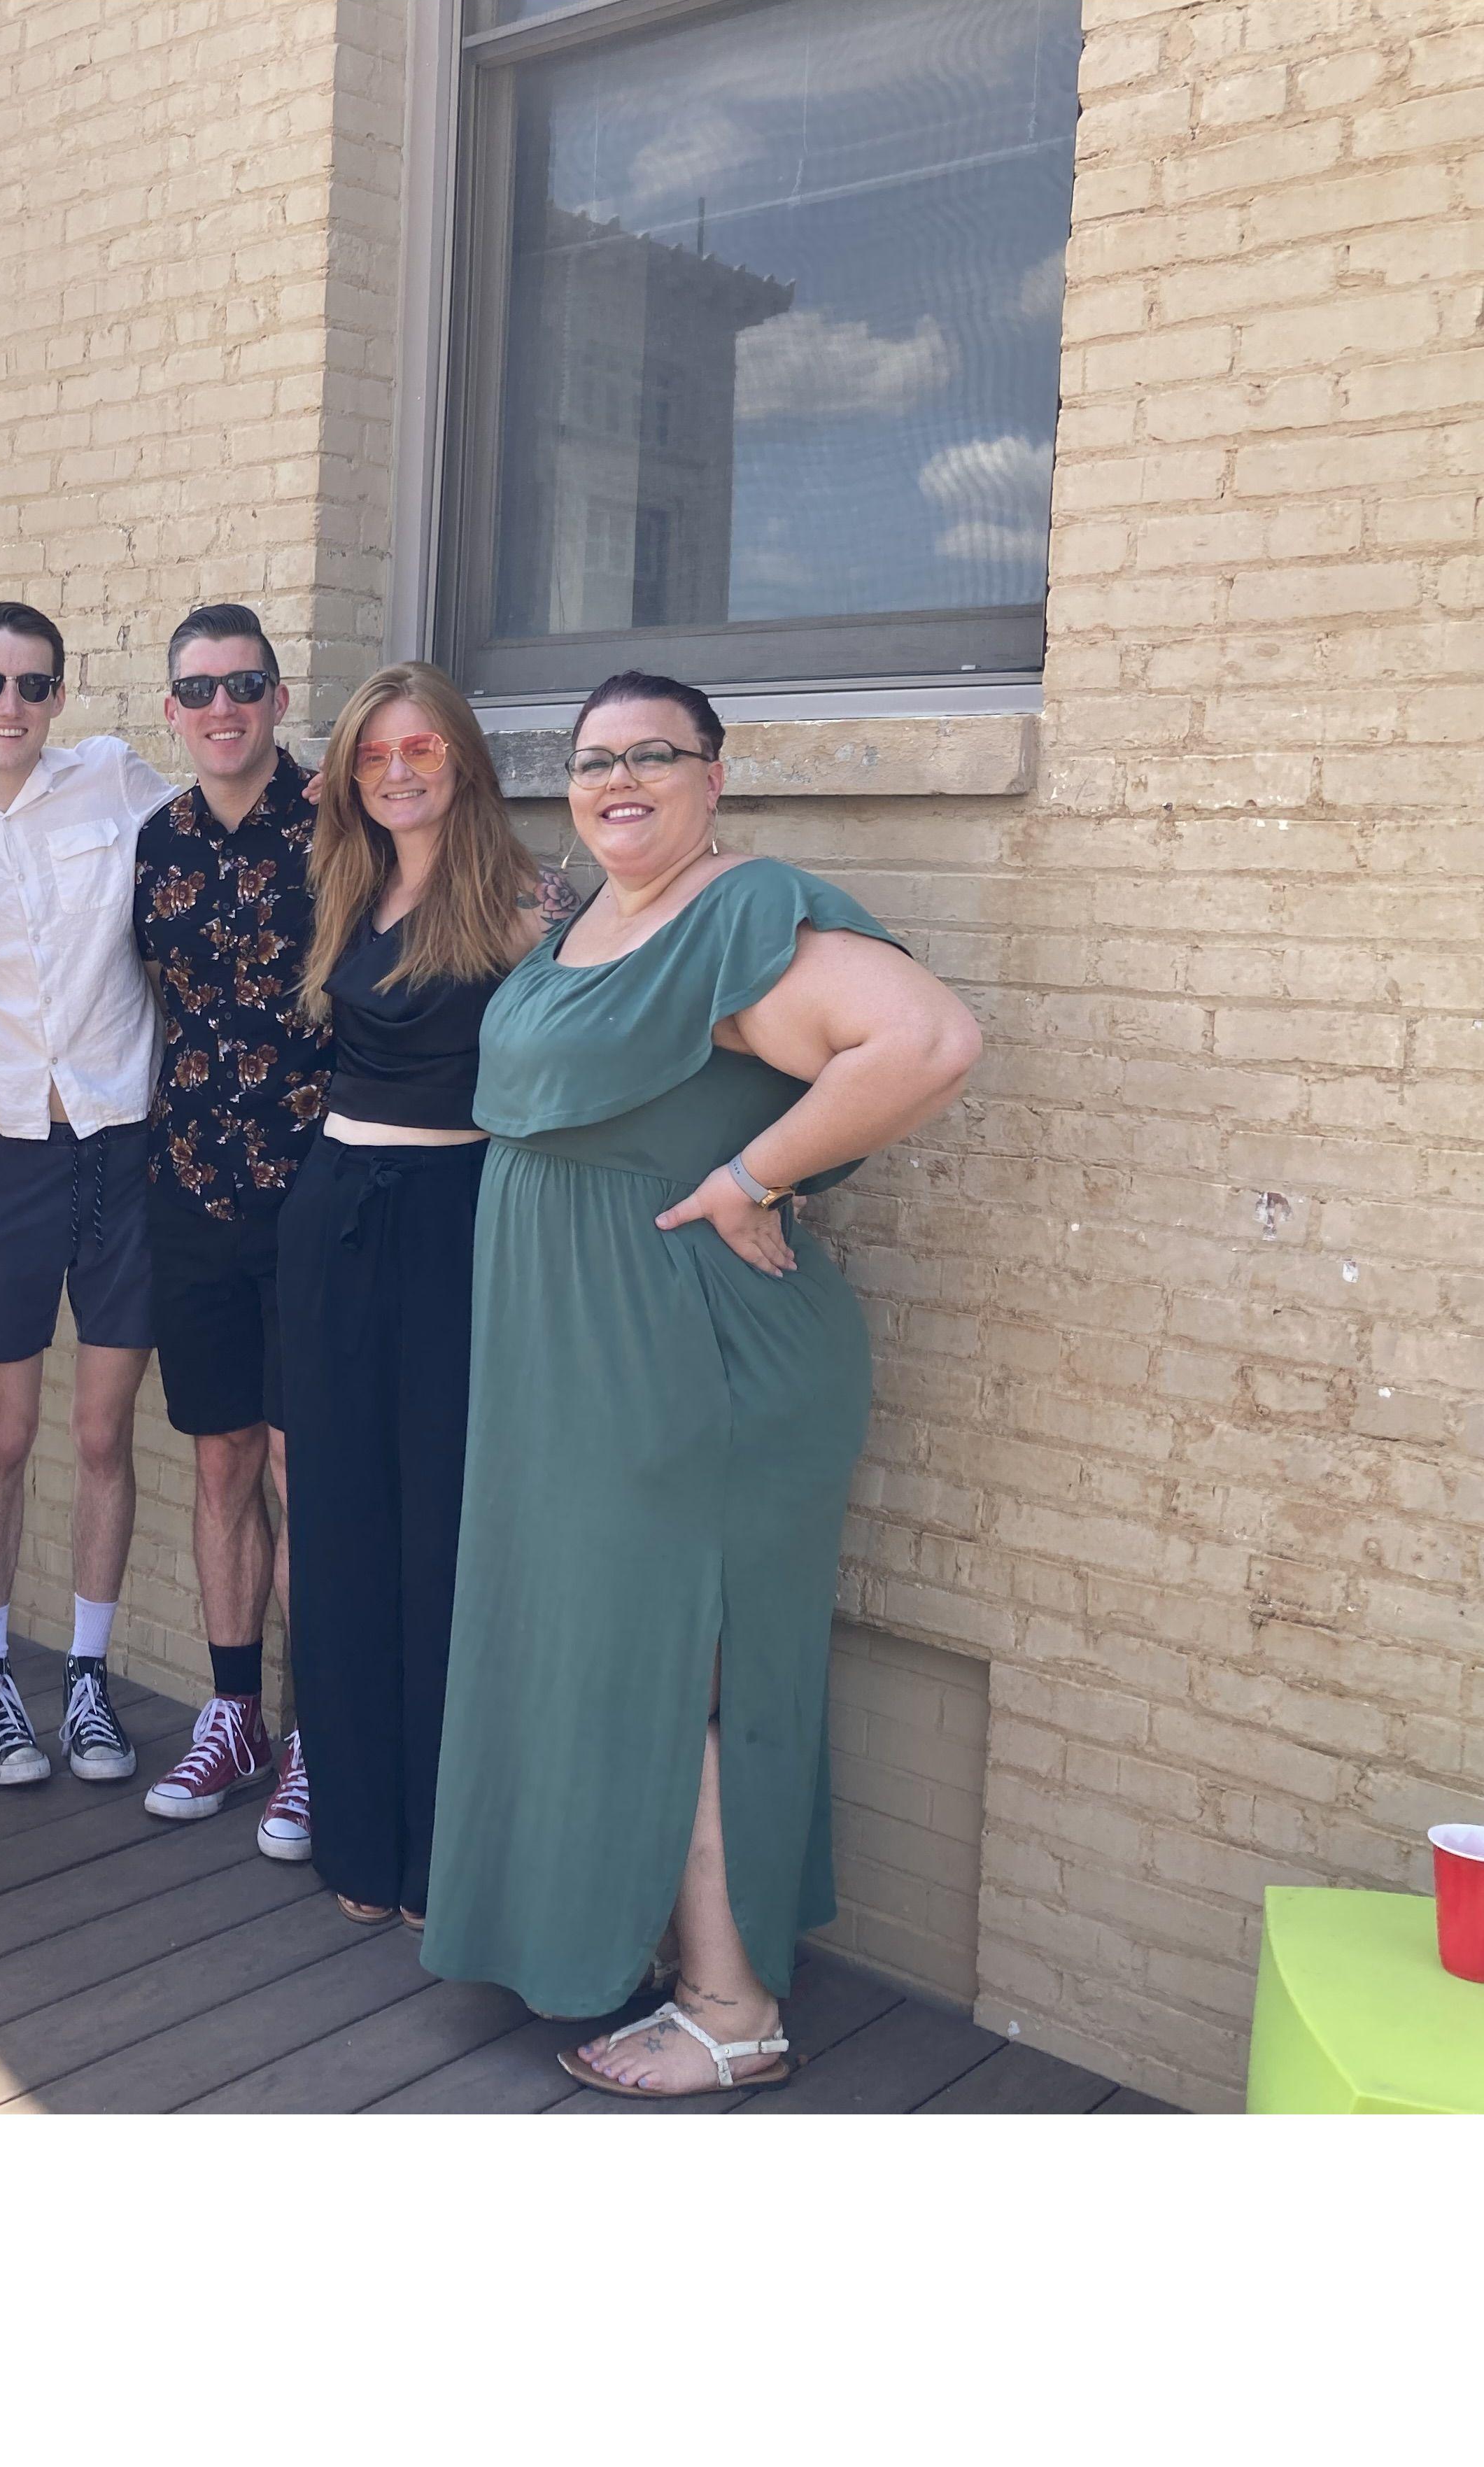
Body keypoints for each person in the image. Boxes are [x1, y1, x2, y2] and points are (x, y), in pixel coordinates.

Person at [423, 669, 982, 2098]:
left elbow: (925, 1039)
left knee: (693, 1664)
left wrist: (753, 1174)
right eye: (597, 757)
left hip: (690, 1365)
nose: (621, 779)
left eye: (657, 755)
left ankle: (732, 2011)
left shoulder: (747, 907)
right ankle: (618, 1939)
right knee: (605, 1649)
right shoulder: (597, 914)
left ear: (716, 777)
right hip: (585, 1364)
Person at [278, 664, 549, 1930]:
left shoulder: (524, 907)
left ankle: (450, 1857)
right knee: (335, 1530)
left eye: (421, 748)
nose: (397, 770)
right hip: (333, 1221)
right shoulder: (343, 889)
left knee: (444, 1536)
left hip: (456, 1227)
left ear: (464, 761)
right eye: (374, 753)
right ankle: (359, 1847)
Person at [0, 598, 179, 1787]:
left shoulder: (117, 782)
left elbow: (229, 844)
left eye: (33, 685)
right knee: (9, 1434)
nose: (11, 707)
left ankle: (85, 1678)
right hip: (15, 1159)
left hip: (126, 1153)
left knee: (100, 1431)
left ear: (60, 695)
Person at [129, 603, 328, 1858]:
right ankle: (236, 1713)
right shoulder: (155, 842)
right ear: (173, 710)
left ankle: (318, 1740)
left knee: (306, 1473)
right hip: (191, 1186)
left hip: (318, 1193)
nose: (222, 708)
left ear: (276, 696)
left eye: (243, 684)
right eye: (199, 691)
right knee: (219, 1461)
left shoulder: (348, 826)